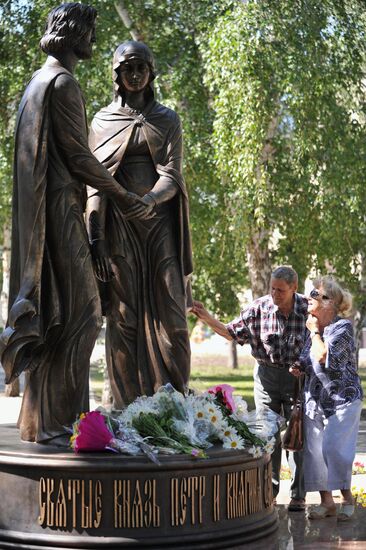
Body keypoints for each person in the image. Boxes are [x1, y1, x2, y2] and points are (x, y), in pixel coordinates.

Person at [0, 3, 144, 444]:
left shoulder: (36, 83)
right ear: (72, 33)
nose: (93, 42)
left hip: (47, 215)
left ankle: (39, 422)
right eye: (88, 32)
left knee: (58, 316)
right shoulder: (63, 84)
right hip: (61, 213)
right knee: (82, 314)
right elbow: (81, 157)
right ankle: (57, 424)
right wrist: (123, 194)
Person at [86, 40, 192, 408]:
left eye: (140, 68)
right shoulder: (102, 121)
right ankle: (128, 409)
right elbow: (95, 182)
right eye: (127, 68)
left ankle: (175, 408)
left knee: (173, 319)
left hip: (159, 225)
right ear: (117, 75)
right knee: (123, 318)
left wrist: (147, 200)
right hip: (118, 230)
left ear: (151, 73)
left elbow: (173, 175)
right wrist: (95, 238)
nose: (134, 75)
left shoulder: (167, 119)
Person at [191, 265, 308, 510]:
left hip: (297, 380)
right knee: (268, 435)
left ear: (294, 288)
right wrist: (207, 317)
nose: (275, 294)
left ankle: (298, 495)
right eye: (272, 289)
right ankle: (271, 491)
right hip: (266, 377)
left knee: (296, 436)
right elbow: (230, 332)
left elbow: (323, 333)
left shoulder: (308, 309)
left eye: (281, 290)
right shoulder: (259, 308)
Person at [290, 276, 363, 520]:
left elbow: (322, 356)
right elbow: (306, 356)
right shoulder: (313, 327)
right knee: (314, 452)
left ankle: (347, 499)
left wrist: (313, 334)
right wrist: (298, 366)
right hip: (315, 399)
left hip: (343, 399)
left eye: (315, 294)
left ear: (329, 303)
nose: (309, 298)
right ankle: (326, 502)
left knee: (335, 450)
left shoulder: (342, 328)